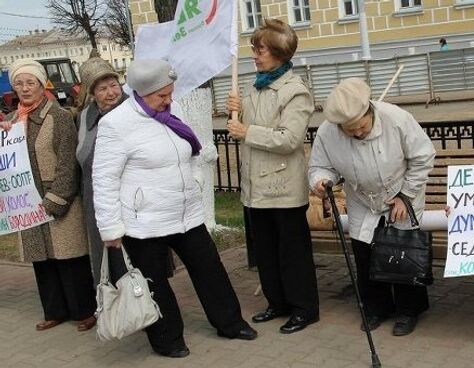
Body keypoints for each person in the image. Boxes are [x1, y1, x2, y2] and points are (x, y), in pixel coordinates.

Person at [92, 59, 257, 358]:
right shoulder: (115, 125)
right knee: (154, 280)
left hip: (186, 213)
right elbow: (103, 181)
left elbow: (189, 150)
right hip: (145, 220)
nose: (169, 100)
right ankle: (167, 339)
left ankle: (230, 323)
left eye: (170, 93)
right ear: (142, 93)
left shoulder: (172, 110)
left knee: (210, 269)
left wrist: (194, 179)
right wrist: (111, 229)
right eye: (161, 96)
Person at [309, 78, 435, 336]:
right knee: (365, 253)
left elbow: (423, 156)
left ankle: (409, 310)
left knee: (402, 253)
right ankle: (376, 307)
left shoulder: (396, 119)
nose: (357, 133)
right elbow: (319, 165)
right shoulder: (327, 132)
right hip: (362, 199)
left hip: (400, 194)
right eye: (349, 130)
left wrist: (406, 195)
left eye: (361, 127)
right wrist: (321, 181)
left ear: (370, 112)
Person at [226, 18, 320, 334]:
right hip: (255, 188)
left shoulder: (295, 92)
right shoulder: (257, 85)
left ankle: (304, 308)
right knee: (265, 253)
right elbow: (249, 126)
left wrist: (246, 129)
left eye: (260, 49)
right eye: (254, 49)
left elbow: (288, 139)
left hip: (282, 187)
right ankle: (277, 303)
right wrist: (236, 110)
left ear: (278, 53)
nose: (254, 55)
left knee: (291, 254)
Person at [1, 59, 96, 332]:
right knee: (41, 259)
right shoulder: (9, 122)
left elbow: (68, 161)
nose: (25, 88)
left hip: (57, 197)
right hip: (26, 201)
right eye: (19, 83)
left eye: (31, 82)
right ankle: (54, 310)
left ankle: (84, 310)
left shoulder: (59, 116)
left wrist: (57, 198)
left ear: (43, 85)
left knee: (70, 257)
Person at [76, 57, 129, 286]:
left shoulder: (133, 109)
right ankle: (111, 305)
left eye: (113, 85)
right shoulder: (85, 115)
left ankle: (141, 308)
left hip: (126, 192)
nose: (110, 92)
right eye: (102, 88)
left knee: (131, 256)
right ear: (91, 93)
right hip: (94, 195)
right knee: (103, 256)